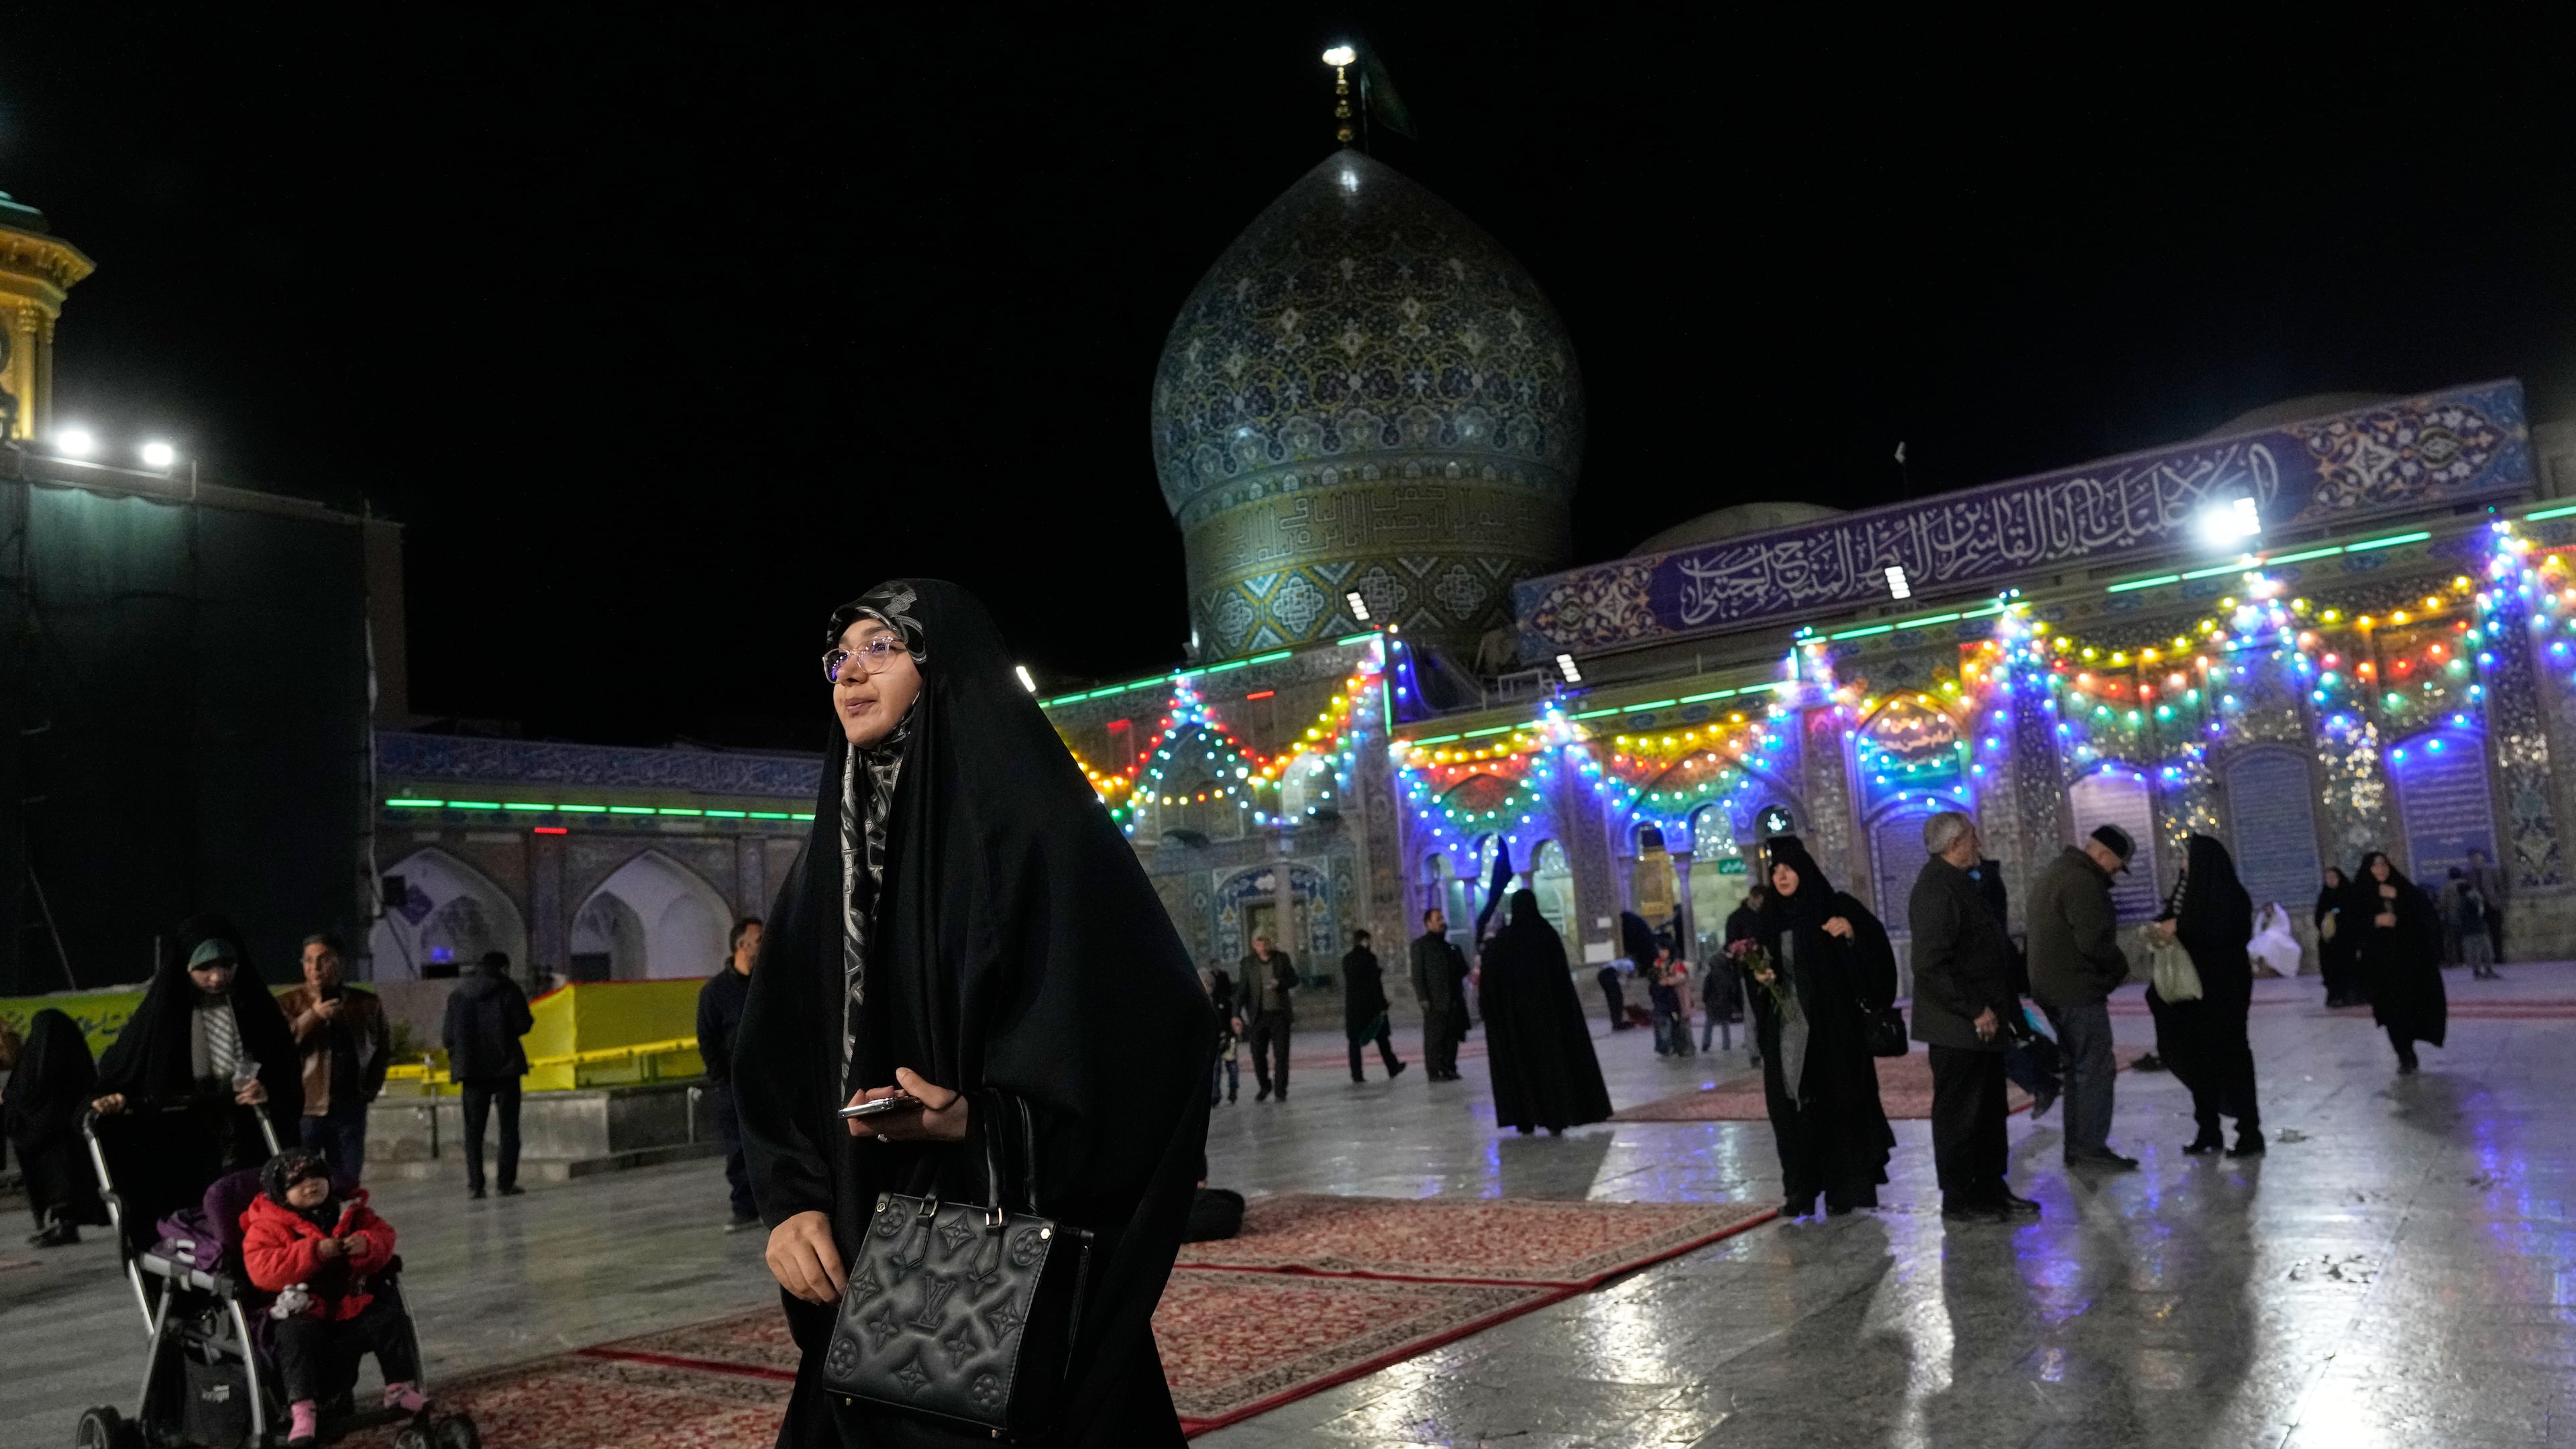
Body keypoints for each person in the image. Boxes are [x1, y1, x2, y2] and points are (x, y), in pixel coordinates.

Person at [733, 580, 1212, 1448]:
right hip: (859, 1257)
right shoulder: (823, 870)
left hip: (1008, 1256)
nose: (851, 672)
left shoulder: (1040, 840)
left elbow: (1153, 1038)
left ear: (944, 667)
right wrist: (793, 1202)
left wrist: (981, 1124)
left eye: (882, 647)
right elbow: (774, 1057)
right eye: (839, 655)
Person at [91, 916, 304, 1233]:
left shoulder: (257, 1009)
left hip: (248, 1133)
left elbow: (283, 1066)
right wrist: (120, 1098)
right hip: (183, 1138)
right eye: (205, 969)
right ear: (185, 968)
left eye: (227, 966)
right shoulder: (164, 1015)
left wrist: (268, 1090)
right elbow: (128, 1068)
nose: (218, 978)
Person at [1746, 835, 1896, 1218]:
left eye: (1788, 869)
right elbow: (1756, 970)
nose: (1781, 876)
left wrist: (1852, 934)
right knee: (1791, 1114)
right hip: (1788, 1034)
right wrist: (1759, 977)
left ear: (1804, 870)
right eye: (1775, 870)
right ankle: (1799, 1192)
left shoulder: (1835, 907)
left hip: (1833, 1035)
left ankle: (1843, 1190)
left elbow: (1875, 953)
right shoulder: (1770, 919)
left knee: (1837, 1108)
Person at [239, 1147, 428, 1448]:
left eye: (317, 1177)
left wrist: (367, 1246)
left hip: (349, 1303)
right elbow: (263, 1269)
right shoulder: (267, 1227)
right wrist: (312, 1252)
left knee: (389, 1321)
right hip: (302, 1308)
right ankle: (302, 1408)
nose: (311, 1185)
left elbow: (384, 1236)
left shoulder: (350, 1212)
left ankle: (400, 1387)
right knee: (294, 1339)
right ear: (279, 1193)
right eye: (298, 1183)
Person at [1908, 812, 2039, 1224]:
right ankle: (1960, 1199)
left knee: (1987, 1113)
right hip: (1958, 1027)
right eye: (1972, 838)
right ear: (1954, 845)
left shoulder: (1960, 884)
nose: (1978, 845)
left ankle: (1990, 1189)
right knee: (1960, 1116)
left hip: (1981, 1026)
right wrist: (1975, 1009)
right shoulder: (1934, 889)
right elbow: (1931, 964)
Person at [2027, 825, 2138, 1171]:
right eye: (2117, 866)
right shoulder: (2082, 881)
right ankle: (2090, 1148)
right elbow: (2094, 942)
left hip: (2053, 989)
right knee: (2094, 1069)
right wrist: (2120, 968)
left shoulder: (2057, 872)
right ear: (2104, 855)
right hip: (2075, 991)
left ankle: (2078, 1148)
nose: (2116, 874)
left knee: (2077, 1069)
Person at [2146, 835, 2263, 1157]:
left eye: (2188, 859)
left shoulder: (2231, 896)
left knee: (2232, 1057)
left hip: (2224, 992)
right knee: (2198, 1060)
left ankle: (2249, 1132)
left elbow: (2221, 931)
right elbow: (2174, 922)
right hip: (2190, 995)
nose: (2184, 865)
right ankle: (2208, 1129)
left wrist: (2179, 926)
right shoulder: (2186, 897)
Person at [1479, 890, 1613, 1135]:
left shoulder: (1505, 941)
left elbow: (1490, 981)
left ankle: (1525, 1118)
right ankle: (1556, 1117)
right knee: (1552, 1068)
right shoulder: (1547, 935)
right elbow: (1561, 981)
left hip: (1517, 1023)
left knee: (1522, 1067)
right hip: (1549, 1021)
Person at [276, 932, 390, 1191]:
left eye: (323, 960)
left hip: (350, 1109)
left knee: (347, 1183)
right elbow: (278, 1049)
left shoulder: (366, 1004)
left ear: (340, 962)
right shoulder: (288, 1003)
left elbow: (382, 1050)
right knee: (301, 1184)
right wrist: (313, 1016)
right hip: (305, 1110)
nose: (314, 968)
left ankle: (342, 1228)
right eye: (308, 961)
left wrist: (369, 1090)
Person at [4, 1008, 109, 1247]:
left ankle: (66, 1228)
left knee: (64, 1186)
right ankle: (63, 1225)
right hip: (65, 1138)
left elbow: (33, 1095)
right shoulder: (66, 1058)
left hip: (58, 1142)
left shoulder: (46, 1060)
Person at [442, 950, 533, 1200]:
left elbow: (447, 1036)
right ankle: (505, 1183)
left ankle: (476, 1185)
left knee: (473, 1131)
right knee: (509, 1128)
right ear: (503, 967)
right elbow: (524, 1024)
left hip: (471, 1071)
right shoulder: (509, 990)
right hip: (506, 1068)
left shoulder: (458, 995)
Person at [697, 916, 763, 1230]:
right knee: (739, 1148)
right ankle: (745, 1208)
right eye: (759, 939)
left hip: (770, 1083)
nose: (764, 944)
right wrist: (722, 1078)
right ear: (742, 945)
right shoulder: (716, 992)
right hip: (735, 1086)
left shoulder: (767, 983)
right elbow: (707, 1039)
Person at [2355, 851, 2446, 1074]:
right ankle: (2403, 1053)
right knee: (2392, 1010)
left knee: (2410, 1006)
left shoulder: (2403, 889)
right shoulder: (2360, 894)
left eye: (2384, 864)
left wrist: (2399, 900)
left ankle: (2409, 1046)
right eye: (2375, 866)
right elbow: (2351, 927)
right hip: (2381, 966)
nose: (2381, 870)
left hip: (2408, 962)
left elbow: (2424, 915)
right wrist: (2375, 921)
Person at [1341, 929, 1407, 1083]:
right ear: (1365, 941)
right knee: (1382, 1038)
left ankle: (1357, 1074)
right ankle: (1392, 1067)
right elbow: (1374, 985)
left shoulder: (1347, 959)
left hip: (1353, 1007)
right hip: (1371, 1006)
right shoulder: (1369, 958)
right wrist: (1382, 1005)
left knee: (1354, 1041)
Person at [1411, 909, 1467, 1080]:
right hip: (1435, 1000)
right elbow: (1418, 974)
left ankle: (1449, 1067)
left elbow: (1461, 970)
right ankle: (1434, 1070)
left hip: (1452, 999)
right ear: (1428, 924)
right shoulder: (1421, 946)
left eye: (1442, 918)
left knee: (1451, 1037)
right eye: (1438, 919)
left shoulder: (1448, 947)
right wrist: (1423, 998)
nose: (1442, 921)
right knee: (1435, 1037)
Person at [1241, 933, 1297, 1102]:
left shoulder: (1281, 959)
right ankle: (1265, 1085)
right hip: (1258, 1016)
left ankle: (1281, 1090)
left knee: (1281, 1055)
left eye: (1265, 945)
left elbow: (1294, 979)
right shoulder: (1248, 963)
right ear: (1254, 946)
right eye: (1259, 945)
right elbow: (1243, 989)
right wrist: (1236, 1014)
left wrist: (1279, 983)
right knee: (1257, 1054)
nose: (1262, 949)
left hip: (1279, 1015)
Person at [2316, 866, 2361, 1008]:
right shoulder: (2325, 896)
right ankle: (2336, 996)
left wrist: (2336, 913)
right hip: (2330, 942)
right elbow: (2318, 915)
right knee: (2332, 969)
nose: (2330, 881)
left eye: (2333, 878)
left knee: (2349, 968)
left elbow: (2353, 913)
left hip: (2347, 940)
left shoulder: (2348, 893)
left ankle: (2352, 995)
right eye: (2328, 878)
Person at [1201, 965, 1240, 1104]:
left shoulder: (1223, 1001)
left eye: (1209, 983)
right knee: (1215, 1069)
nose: (1208, 986)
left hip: (1227, 1037)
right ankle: (1215, 1095)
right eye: (1205, 983)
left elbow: (1232, 1017)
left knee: (1232, 1067)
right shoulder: (1201, 1002)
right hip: (1212, 1040)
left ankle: (1233, 1091)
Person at [2466, 846, 2509, 968]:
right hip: (2478, 908)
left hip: (2492, 905)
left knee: (2496, 932)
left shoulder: (2492, 871)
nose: (2477, 861)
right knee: (2481, 936)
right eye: (2474, 859)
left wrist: (2501, 902)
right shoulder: (2469, 874)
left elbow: (2500, 887)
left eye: (2479, 859)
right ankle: (2484, 959)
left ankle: (2498, 957)